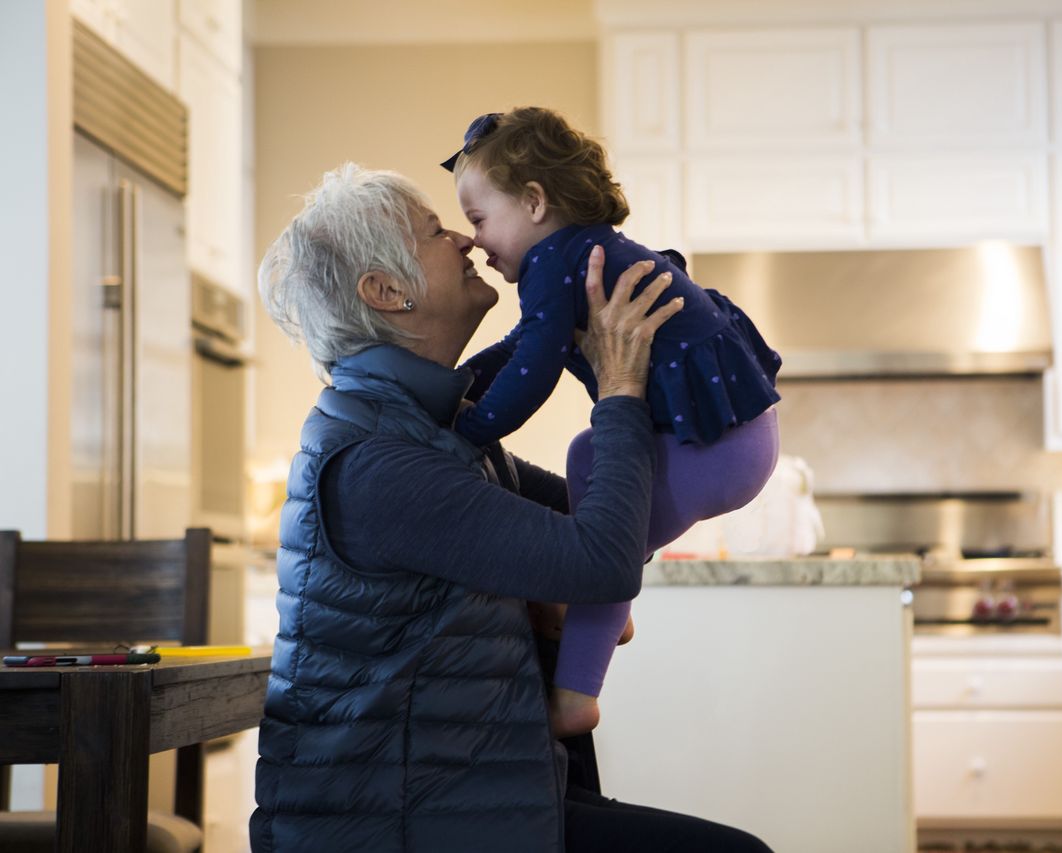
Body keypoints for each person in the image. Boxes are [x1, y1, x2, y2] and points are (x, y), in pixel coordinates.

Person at [250, 163, 772, 853]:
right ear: (385, 291)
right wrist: (620, 388)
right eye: (438, 231)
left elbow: (602, 527)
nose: (466, 243)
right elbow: (604, 562)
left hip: (467, 797)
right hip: (399, 823)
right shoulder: (378, 462)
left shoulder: (432, 431)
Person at [442, 107, 782, 736]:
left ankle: (576, 693)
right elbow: (522, 345)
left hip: (716, 447)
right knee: (587, 456)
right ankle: (605, 609)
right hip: (737, 439)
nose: (477, 242)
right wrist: (456, 387)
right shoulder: (580, 252)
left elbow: (536, 366)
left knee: (601, 529)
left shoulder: (554, 263)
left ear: (535, 203)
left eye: (479, 220)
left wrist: (474, 425)